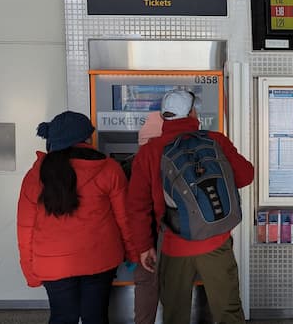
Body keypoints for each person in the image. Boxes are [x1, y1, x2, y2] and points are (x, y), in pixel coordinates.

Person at [127, 90, 254, 324]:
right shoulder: (216, 140)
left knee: (175, 314)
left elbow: (137, 206)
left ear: (164, 118)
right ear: (193, 113)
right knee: (228, 311)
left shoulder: (148, 153)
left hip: (174, 245)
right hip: (216, 241)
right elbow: (246, 176)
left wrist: (144, 247)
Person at [17, 111, 136, 324]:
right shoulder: (109, 168)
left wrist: (29, 269)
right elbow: (124, 218)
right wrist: (132, 253)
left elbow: (25, 227)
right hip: (99, 259)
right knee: (96, 318)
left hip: (53, 263)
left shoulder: (36, 175)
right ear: (85, 139)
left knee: (62, 318)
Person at [131, 111, 163, 324]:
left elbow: (134, 209)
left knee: (145, 287)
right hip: (173, 239)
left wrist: (141, 246)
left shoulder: (129, 165)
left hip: (145, 243)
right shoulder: (175, 161)